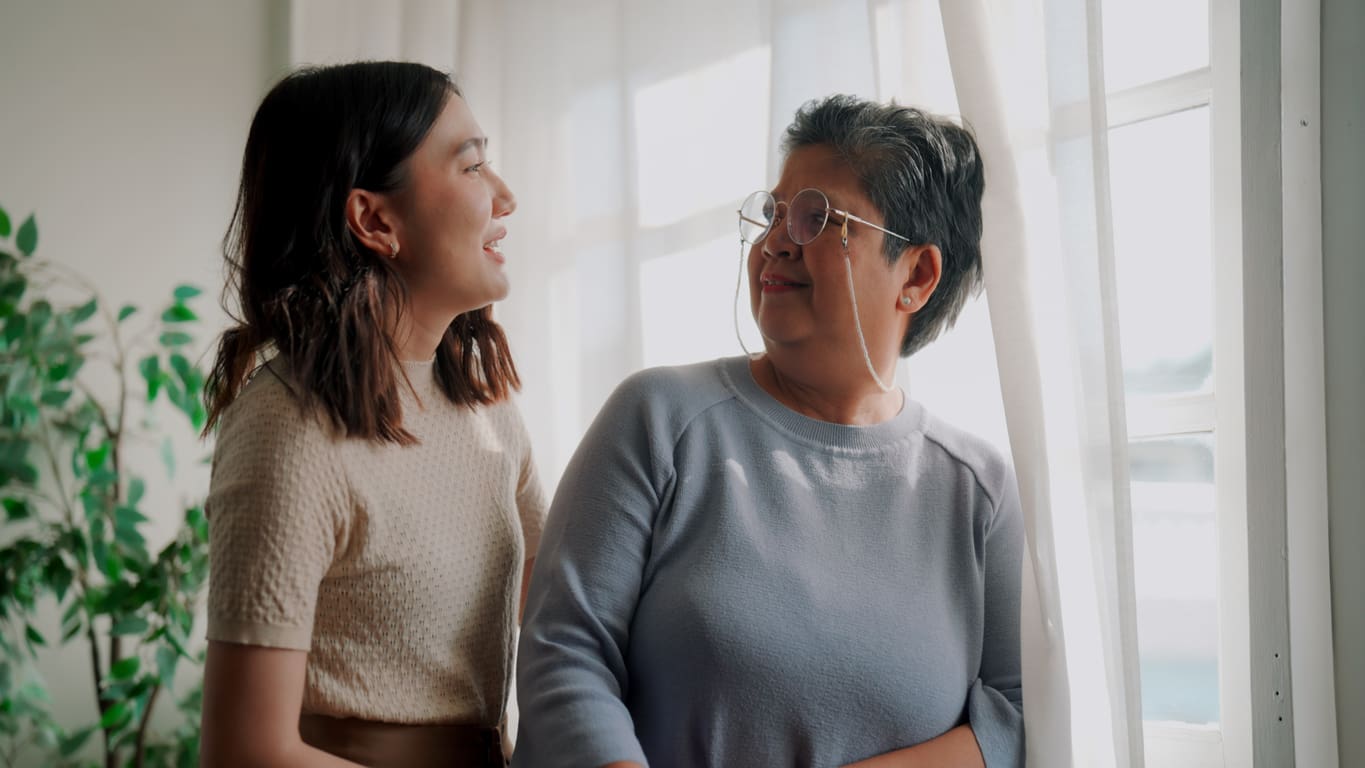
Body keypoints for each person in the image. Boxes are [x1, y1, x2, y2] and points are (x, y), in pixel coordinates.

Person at [513, 94, 1023, 768]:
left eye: (817, 218)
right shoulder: (661, 417)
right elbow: (563, 652)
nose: (776, 241)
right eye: (774, 213)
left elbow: (1011, 718)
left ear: (917, 275)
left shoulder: (977, 488)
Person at [199, 61, 546, 768]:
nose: (505, 197)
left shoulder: (488, 412)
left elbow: (566, 623)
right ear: (374, 220)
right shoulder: (287, 430)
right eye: (473, 166)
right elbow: (245, 751)